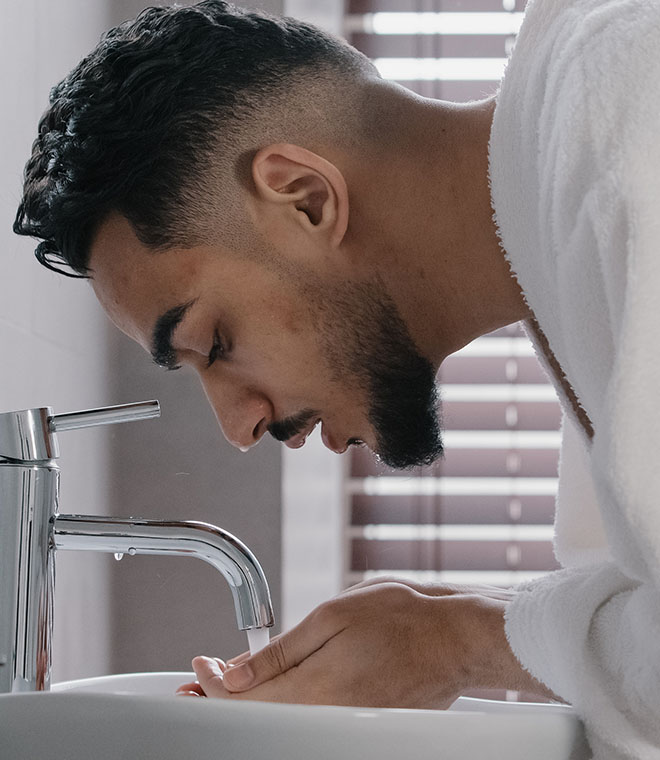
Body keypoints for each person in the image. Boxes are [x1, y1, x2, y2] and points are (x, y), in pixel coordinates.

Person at [13, 0, 660, 756]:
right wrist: (450, 625)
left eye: (213, 342)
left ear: (306, 200)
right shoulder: (576, 179)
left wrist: (463, 642)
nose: (238, 427)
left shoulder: (623, 115)